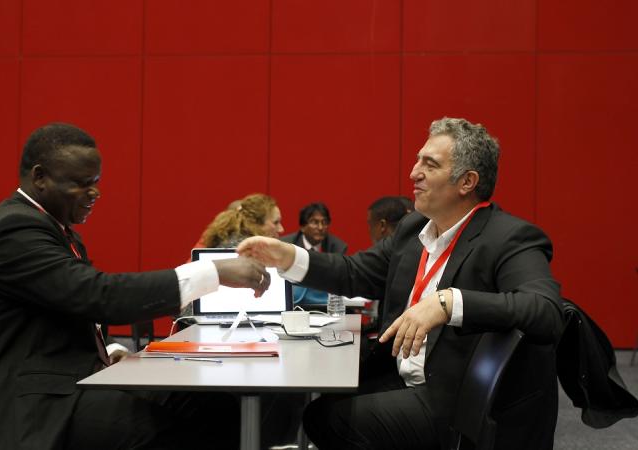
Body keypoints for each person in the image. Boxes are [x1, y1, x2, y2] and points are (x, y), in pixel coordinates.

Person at [238, 117, 564, 450]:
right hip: (399, 373)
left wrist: (448, 303)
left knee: (326, 417)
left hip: (455, 399)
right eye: (418, 159)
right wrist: (287, 257)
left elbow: (545, 310)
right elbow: (355, 272)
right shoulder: (414, 228)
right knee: (318, 398)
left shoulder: (508, 237)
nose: (413, 173)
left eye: (430, 164)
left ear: (466, 181)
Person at [0, 123, 270, 450]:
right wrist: (213, 272)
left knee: (213, 408)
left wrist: (107, 348)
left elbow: (70, 305)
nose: (94, 193)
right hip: (33, 408)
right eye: (81, 184)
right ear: (40, 177)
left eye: (95, 182)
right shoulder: (14, 229)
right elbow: (98, 295)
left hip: (70, 382)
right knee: (172, 432)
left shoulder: (53, 228)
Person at [199, 193, 284, 248]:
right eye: (276, 222)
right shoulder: (245, 252)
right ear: (254, 224)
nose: (281, 229)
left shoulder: (225, 241)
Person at [281, 202, 348, 254]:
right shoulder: (287, 245)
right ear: (302, 227)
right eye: (314, 222)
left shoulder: (337, 248)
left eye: (324, 222)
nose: (320, 227)